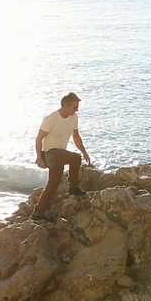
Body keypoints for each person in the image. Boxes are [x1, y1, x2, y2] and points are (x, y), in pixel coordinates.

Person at [33, 92, 91, 220]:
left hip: (60, 155)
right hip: (49, 154)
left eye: (77, 107)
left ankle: (37, 214)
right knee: (75, 158)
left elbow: (76, 137)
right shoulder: (50, 119)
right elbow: (38, 139)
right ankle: (73, 187)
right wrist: (39, 158)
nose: (77, 110)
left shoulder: (74, 118)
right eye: (74, 107)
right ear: (65, 105)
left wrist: (85, 153)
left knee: (53, 185)